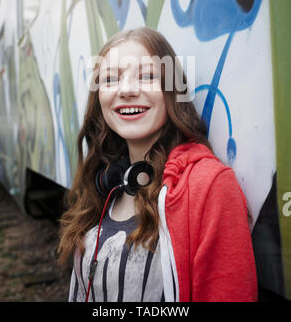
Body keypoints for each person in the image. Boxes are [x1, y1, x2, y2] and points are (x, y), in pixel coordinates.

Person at [58, 27, 257, 302]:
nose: (126, 90)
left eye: (148, 76)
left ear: (171, 90)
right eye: (110, 79)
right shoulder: (105, 184)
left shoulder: (210, 185)